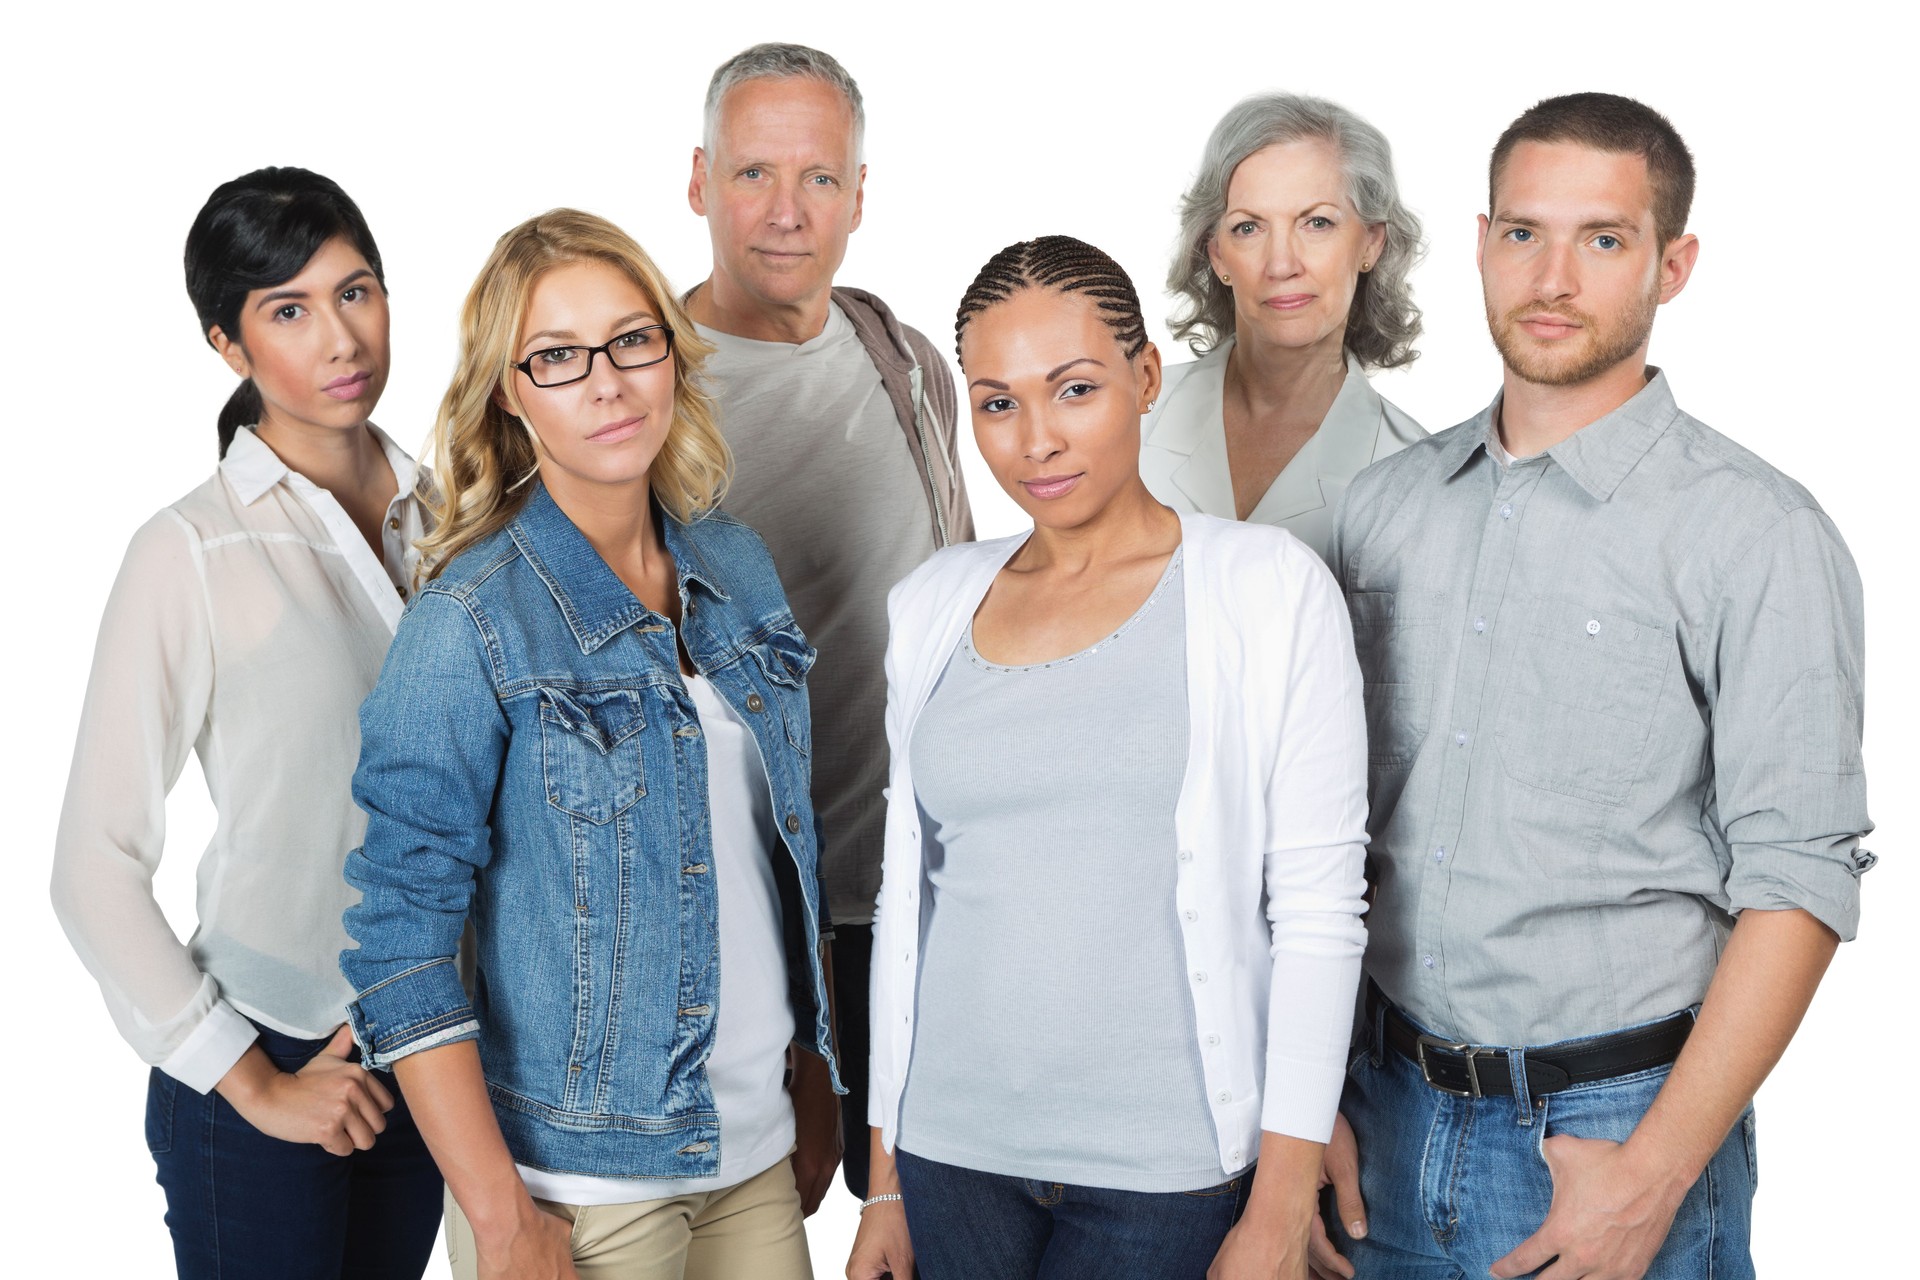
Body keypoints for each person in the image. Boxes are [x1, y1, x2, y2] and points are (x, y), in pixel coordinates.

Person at [1317, 93, 1873, 1280]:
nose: (1553, 275)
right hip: (1383, 1117)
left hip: (1616, 1134)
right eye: (1523, 233)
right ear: (1479, 243)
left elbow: (1801, 878)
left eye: (1603, 239)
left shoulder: (1757, 533)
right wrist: (1309, 1103)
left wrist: (1656, 1173)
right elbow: (1318, 840)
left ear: (1673, 265)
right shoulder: (1381, 511)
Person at [845, 236, 1369, 1280]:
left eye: (1073, 388)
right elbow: (912, 900)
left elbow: (1318, 907)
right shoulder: (932, 603)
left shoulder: (1266, 589)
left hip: (1166, 1171)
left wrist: (1275, 1202)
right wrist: (887, 1177)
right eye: (997, 402)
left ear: (1143, 379)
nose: (1036, 438)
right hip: (953, 1155)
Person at [338, 208, 841, 1280]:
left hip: (753, 1156)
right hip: (580, 1190)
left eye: (630, 339)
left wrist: (814, 1067)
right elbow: (400, 945)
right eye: (559, 357)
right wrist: (501, 1215)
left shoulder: (737, 564)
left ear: (670, 349)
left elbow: (782, 848)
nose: (607, 381)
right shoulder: (470, 618)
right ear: (510, 393)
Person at [49, 167, 441, 1278]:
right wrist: (252, 1078)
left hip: (429, 1052)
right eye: (289, 309)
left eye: (356, 290)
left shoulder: (455, 514)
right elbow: (91, 865)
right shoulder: (190, 550)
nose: (341, 336)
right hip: (265, 1055)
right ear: (228, 345)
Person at [683, 41, 972, 1208]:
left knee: (928, 1222)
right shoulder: (637, 388)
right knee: (753, 1222)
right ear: (698, 181)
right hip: (740, 918)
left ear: (860, 193)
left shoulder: (908, 367)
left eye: (818, 178)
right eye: (753, 174)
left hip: (919, 900)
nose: (787, 213)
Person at [1142, 92, 1425, 563]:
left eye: (1317, 223)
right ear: (1216, 254)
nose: (1281, 264)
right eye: (1248, 228)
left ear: (1371, 244)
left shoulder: (1414, 474)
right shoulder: (1129, 416)